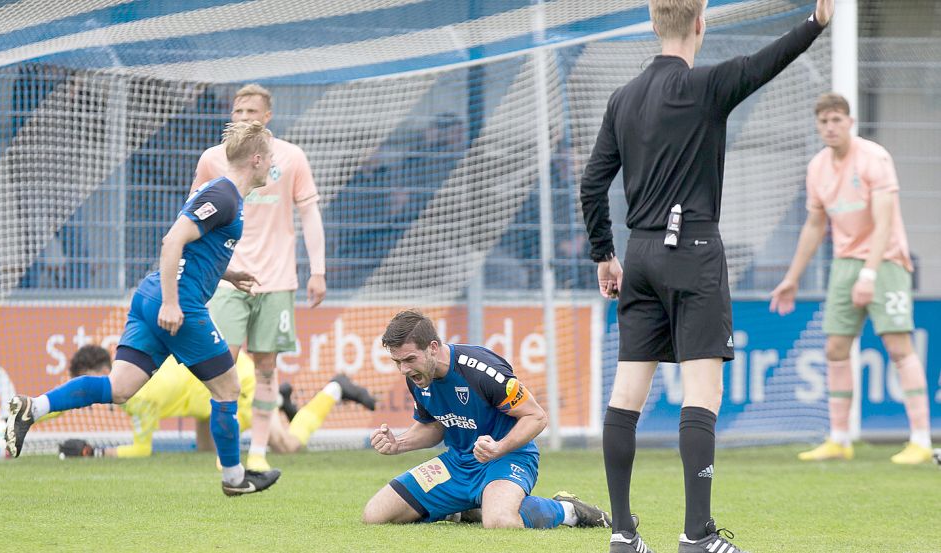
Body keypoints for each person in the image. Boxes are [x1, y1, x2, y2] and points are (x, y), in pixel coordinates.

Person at [579, 1, 834, 551]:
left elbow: (591, 184)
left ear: (653, 23)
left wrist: (605, 253)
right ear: (701, 23)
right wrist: (815, 24)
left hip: (639, 254)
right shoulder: (707, 85)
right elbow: (767, 61)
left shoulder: (622, 98)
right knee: (702, 396)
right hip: (692, 251)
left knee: (625, 396)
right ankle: (697, 534)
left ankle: (622, 533)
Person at [5, 120, 281, 497]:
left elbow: (194, 249)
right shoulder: (226, 195)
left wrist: (229, 274)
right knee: (228, 388)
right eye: (270, 158)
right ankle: (235, 479)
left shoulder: (222, 194)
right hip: (176, 303)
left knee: (119, 388)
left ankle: (32, 408)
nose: (272, 165)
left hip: (151, 295)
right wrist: (172, 302)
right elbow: (172, 241)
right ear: (256, 159)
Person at [770, 92, 933, 465]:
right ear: (818, 126)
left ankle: (921, 440)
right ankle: (840, 439)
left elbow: (885, 221)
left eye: (837, 120)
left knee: (897, 347)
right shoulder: (817, 168)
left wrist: (871, 274)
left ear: (850, 122)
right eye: (824, 121)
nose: (830, 127)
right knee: (835, 349)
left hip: (886, 261)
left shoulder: (875, 158)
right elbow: (814, 225)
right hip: (844, 264)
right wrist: (792, 277)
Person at [362, 310, 612, 531]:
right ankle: (465, 508)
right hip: (458, 463)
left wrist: (499, 448)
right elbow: (435, 427)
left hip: (507, 459)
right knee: (375, 515)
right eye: (397, 362)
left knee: (500, 521)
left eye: (409, 360)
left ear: (433, 347)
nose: (403, 370)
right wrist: (400, 443)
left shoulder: (481, 370)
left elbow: (536, 417)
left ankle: (568, 511)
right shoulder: (416, 376)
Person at [192, 83, 326, 473]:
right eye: (238, 112)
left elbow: (310, 214)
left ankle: (259, 450)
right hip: (226, 279)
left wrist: (317, 270)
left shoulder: (290, 157)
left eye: (252, 112)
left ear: (267, 117)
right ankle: (227, 446)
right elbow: (193, 213)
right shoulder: (212, 159)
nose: (244, 118)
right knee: (222, 365)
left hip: (277, 280)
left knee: (266, 367)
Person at [54, 344, 375, 458]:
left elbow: (142, 450)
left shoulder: (137, 395)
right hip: (205, 397)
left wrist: (93, 452)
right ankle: (279, 397)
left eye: (90, 380)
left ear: (103, 370)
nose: (89, 394)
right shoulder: (132, 366)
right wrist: (28, 411)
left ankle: (335, 387)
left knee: (288, 446)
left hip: (233, 382)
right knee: (207, 453)